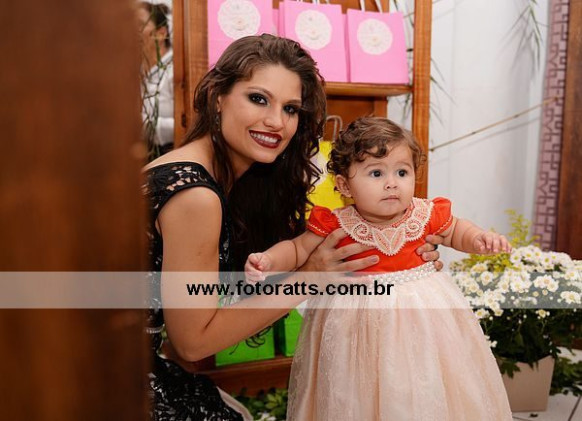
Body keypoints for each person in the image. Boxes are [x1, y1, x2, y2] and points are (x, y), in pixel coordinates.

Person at [143, 35, 442, 420]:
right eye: (258, 98)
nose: (276, 122)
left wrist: (404, 252)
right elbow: (192, 343)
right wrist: (311, 277)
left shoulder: (208, 174)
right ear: (218, 97)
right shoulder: (196, 196)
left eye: (290, 109)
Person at [245, 117, 513, 420]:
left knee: (428, 378)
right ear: (344, 185)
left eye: (402, 172)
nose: (392, 183)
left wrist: (478, 239)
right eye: (376, 173)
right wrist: (268, 260)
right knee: (356, 387)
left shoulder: (425, 214)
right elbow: (296, 249)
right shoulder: (336, 223)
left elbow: (456, 231)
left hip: (423, 319)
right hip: (354, 324)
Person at [138, 1, 175, 159]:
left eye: (139, 24)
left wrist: (140, 125)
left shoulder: (175, 72)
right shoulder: (133, 71)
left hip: (169, 156)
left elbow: (190, 124)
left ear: (161, 33)